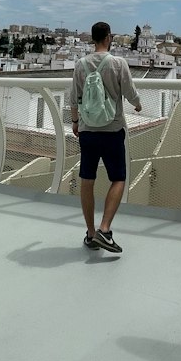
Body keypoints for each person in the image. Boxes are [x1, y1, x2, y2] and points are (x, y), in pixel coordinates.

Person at [72, 21, 143, 252]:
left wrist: (75, 123)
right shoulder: (118, 63)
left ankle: (91, 234)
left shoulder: (80, 65)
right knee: (118, 178)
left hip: (87, 131)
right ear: (108, 38)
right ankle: (105, 229)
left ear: (93, 38)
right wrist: (138, 105)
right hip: (112, 130)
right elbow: (130, 92)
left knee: (87, 180)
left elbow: (74, 99)